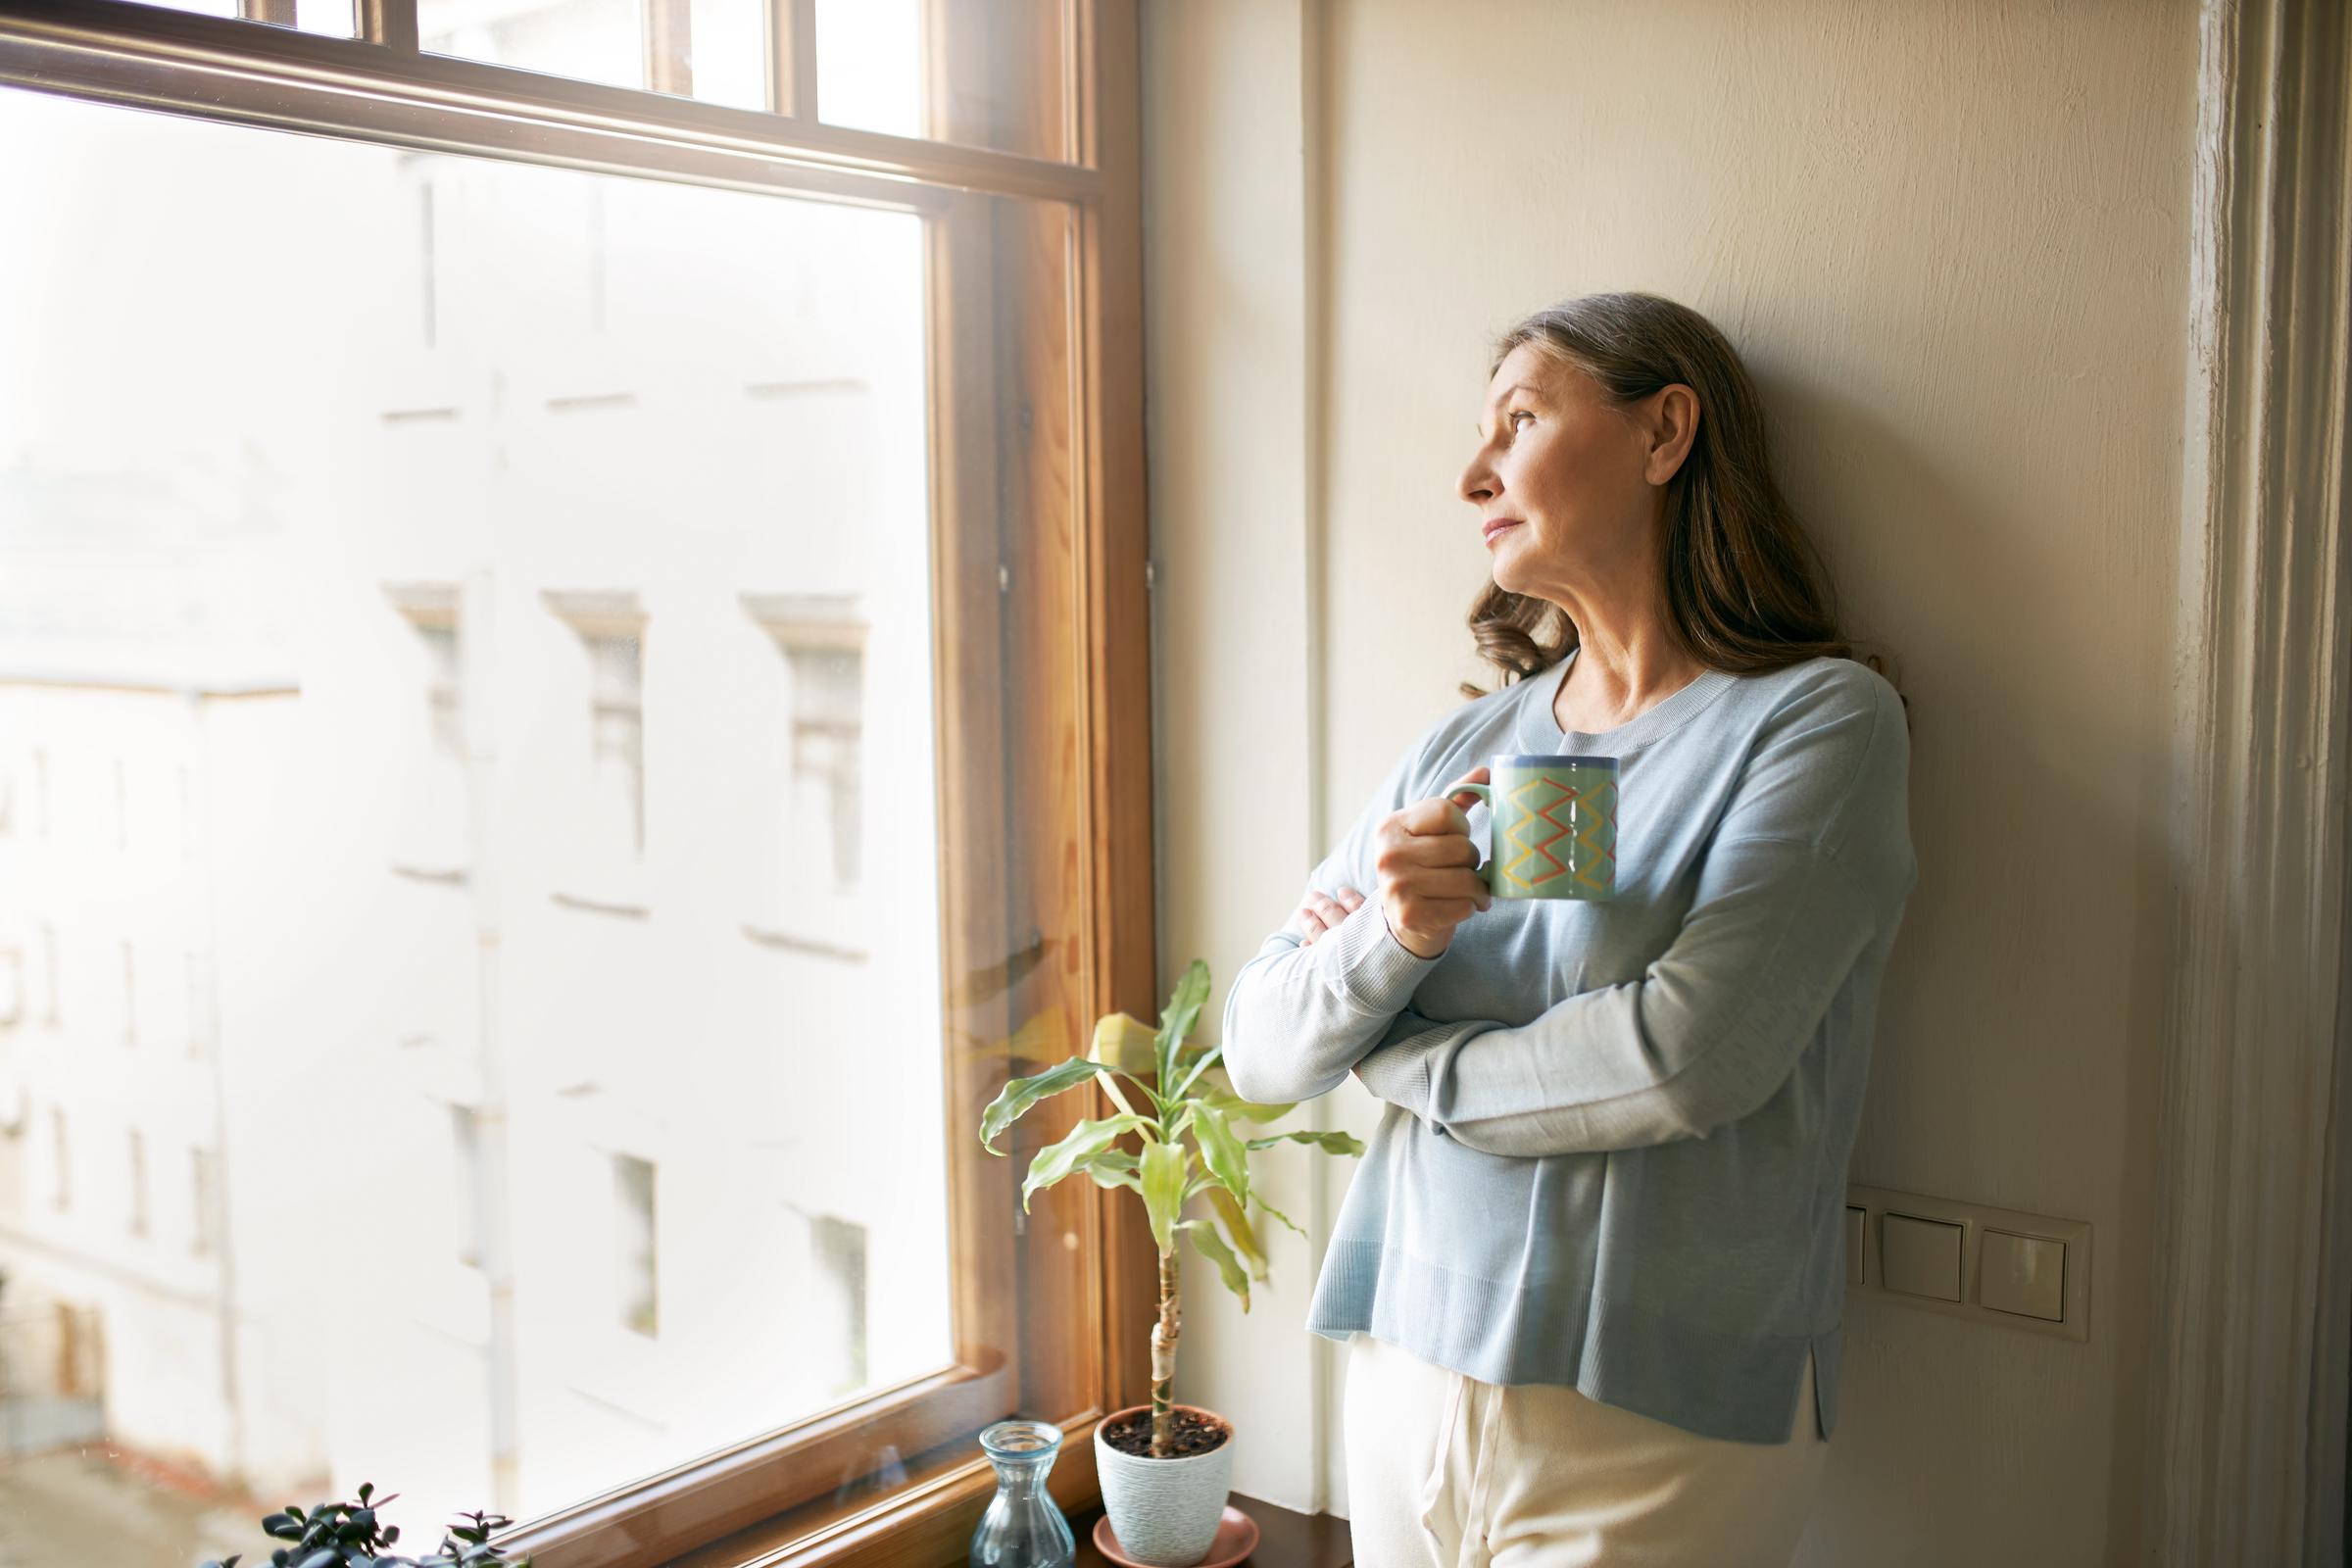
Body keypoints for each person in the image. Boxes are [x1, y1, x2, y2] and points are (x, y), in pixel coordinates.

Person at [1220, 292, 1919, 1568]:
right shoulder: (1470, 743)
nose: (1471, 470)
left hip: (1662, 1410)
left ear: (1666, 433)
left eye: (1522, 418)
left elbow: (1684, 1055)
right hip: (1402, 1364)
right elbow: (1262, 1047)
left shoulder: (1822, 725)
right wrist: (1393, 942)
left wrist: (1404, 1063)